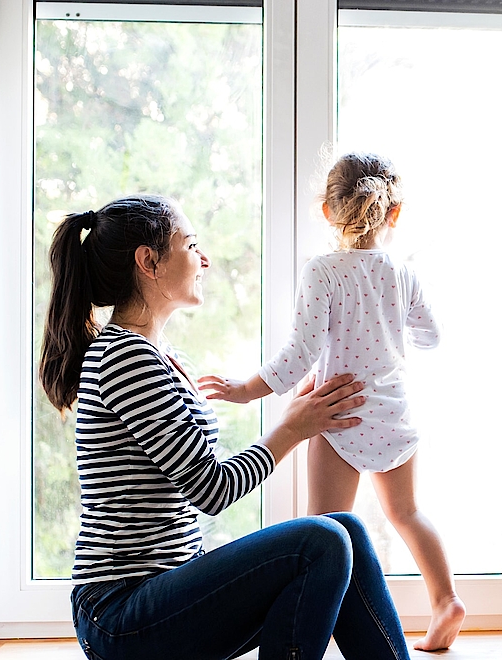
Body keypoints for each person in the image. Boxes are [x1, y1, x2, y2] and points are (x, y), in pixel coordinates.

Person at [39, 194, 412, 660]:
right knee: (323, 541)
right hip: (120, 614)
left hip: (162, 591)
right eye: (192, 245)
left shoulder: (159, 356)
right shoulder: (125, 358)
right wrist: (291, 430)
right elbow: (211, 489)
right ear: (148, 261)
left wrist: (297, 418)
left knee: (346, 530)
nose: (205, 259)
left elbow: (194, 470)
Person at [198, 153, 466, 652]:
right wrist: (389, 323)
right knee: (407, 513)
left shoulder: (321, 272)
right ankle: (446, 600)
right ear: (395, 213)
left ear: (327, 211)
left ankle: (316, 635)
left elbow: (298, 356)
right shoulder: (400, 272)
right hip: (392, 412)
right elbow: (431, 335)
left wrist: (242, 389)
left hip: (336, 413)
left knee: (326, 534)